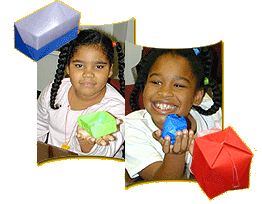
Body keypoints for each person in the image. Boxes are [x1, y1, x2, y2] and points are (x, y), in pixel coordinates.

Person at [125, 47, 222, 180]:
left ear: (197, 97)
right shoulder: (132, 127)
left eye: (178, 85)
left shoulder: (209, 110)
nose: (165, 92)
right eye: (156, 82)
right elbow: (159, 182)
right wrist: (175, 155)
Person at [37, 29, 125, 159]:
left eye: (99, 66)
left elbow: (105, 153)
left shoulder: (116, 109)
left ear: (110, 70)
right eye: (79, 65)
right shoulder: (54, 91)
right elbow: (38, 126)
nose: (88, 74)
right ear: (67, 67)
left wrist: (87, 143)